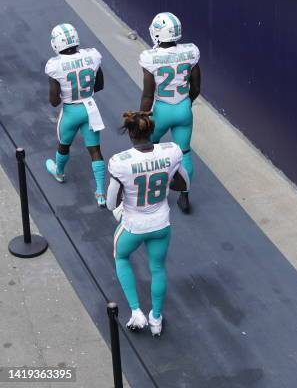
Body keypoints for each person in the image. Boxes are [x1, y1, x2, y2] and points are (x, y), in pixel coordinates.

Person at [106, 111, 189, 336]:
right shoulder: (171, 152)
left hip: (134, 224)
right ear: (151, 130)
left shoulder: (120, 162)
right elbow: (183, 184)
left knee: (121, 257)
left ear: (130, 133)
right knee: (158, 269)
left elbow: (111, 202)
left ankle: (136, 312)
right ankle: (156, 318)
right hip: (161, 223)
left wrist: (124, 198)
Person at [139, 12, 200, 213]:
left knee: (149, 148)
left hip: (161, 109)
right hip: (183, 107)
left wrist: (141, 116)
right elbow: (196, 88)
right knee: (184, 152)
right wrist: (185, 104)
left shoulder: (150, 58)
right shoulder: (191, 52)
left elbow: (148, 95)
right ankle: (184, 196)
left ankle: (153, 190)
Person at [44, 23, 107, 207]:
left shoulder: (55, 66)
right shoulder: (92, 57)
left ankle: (59, 173)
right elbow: (100, 85)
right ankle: (101, 193)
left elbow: (54, 101)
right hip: (90, 108)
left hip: (71, 111)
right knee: (95, 149)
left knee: (64, 145)